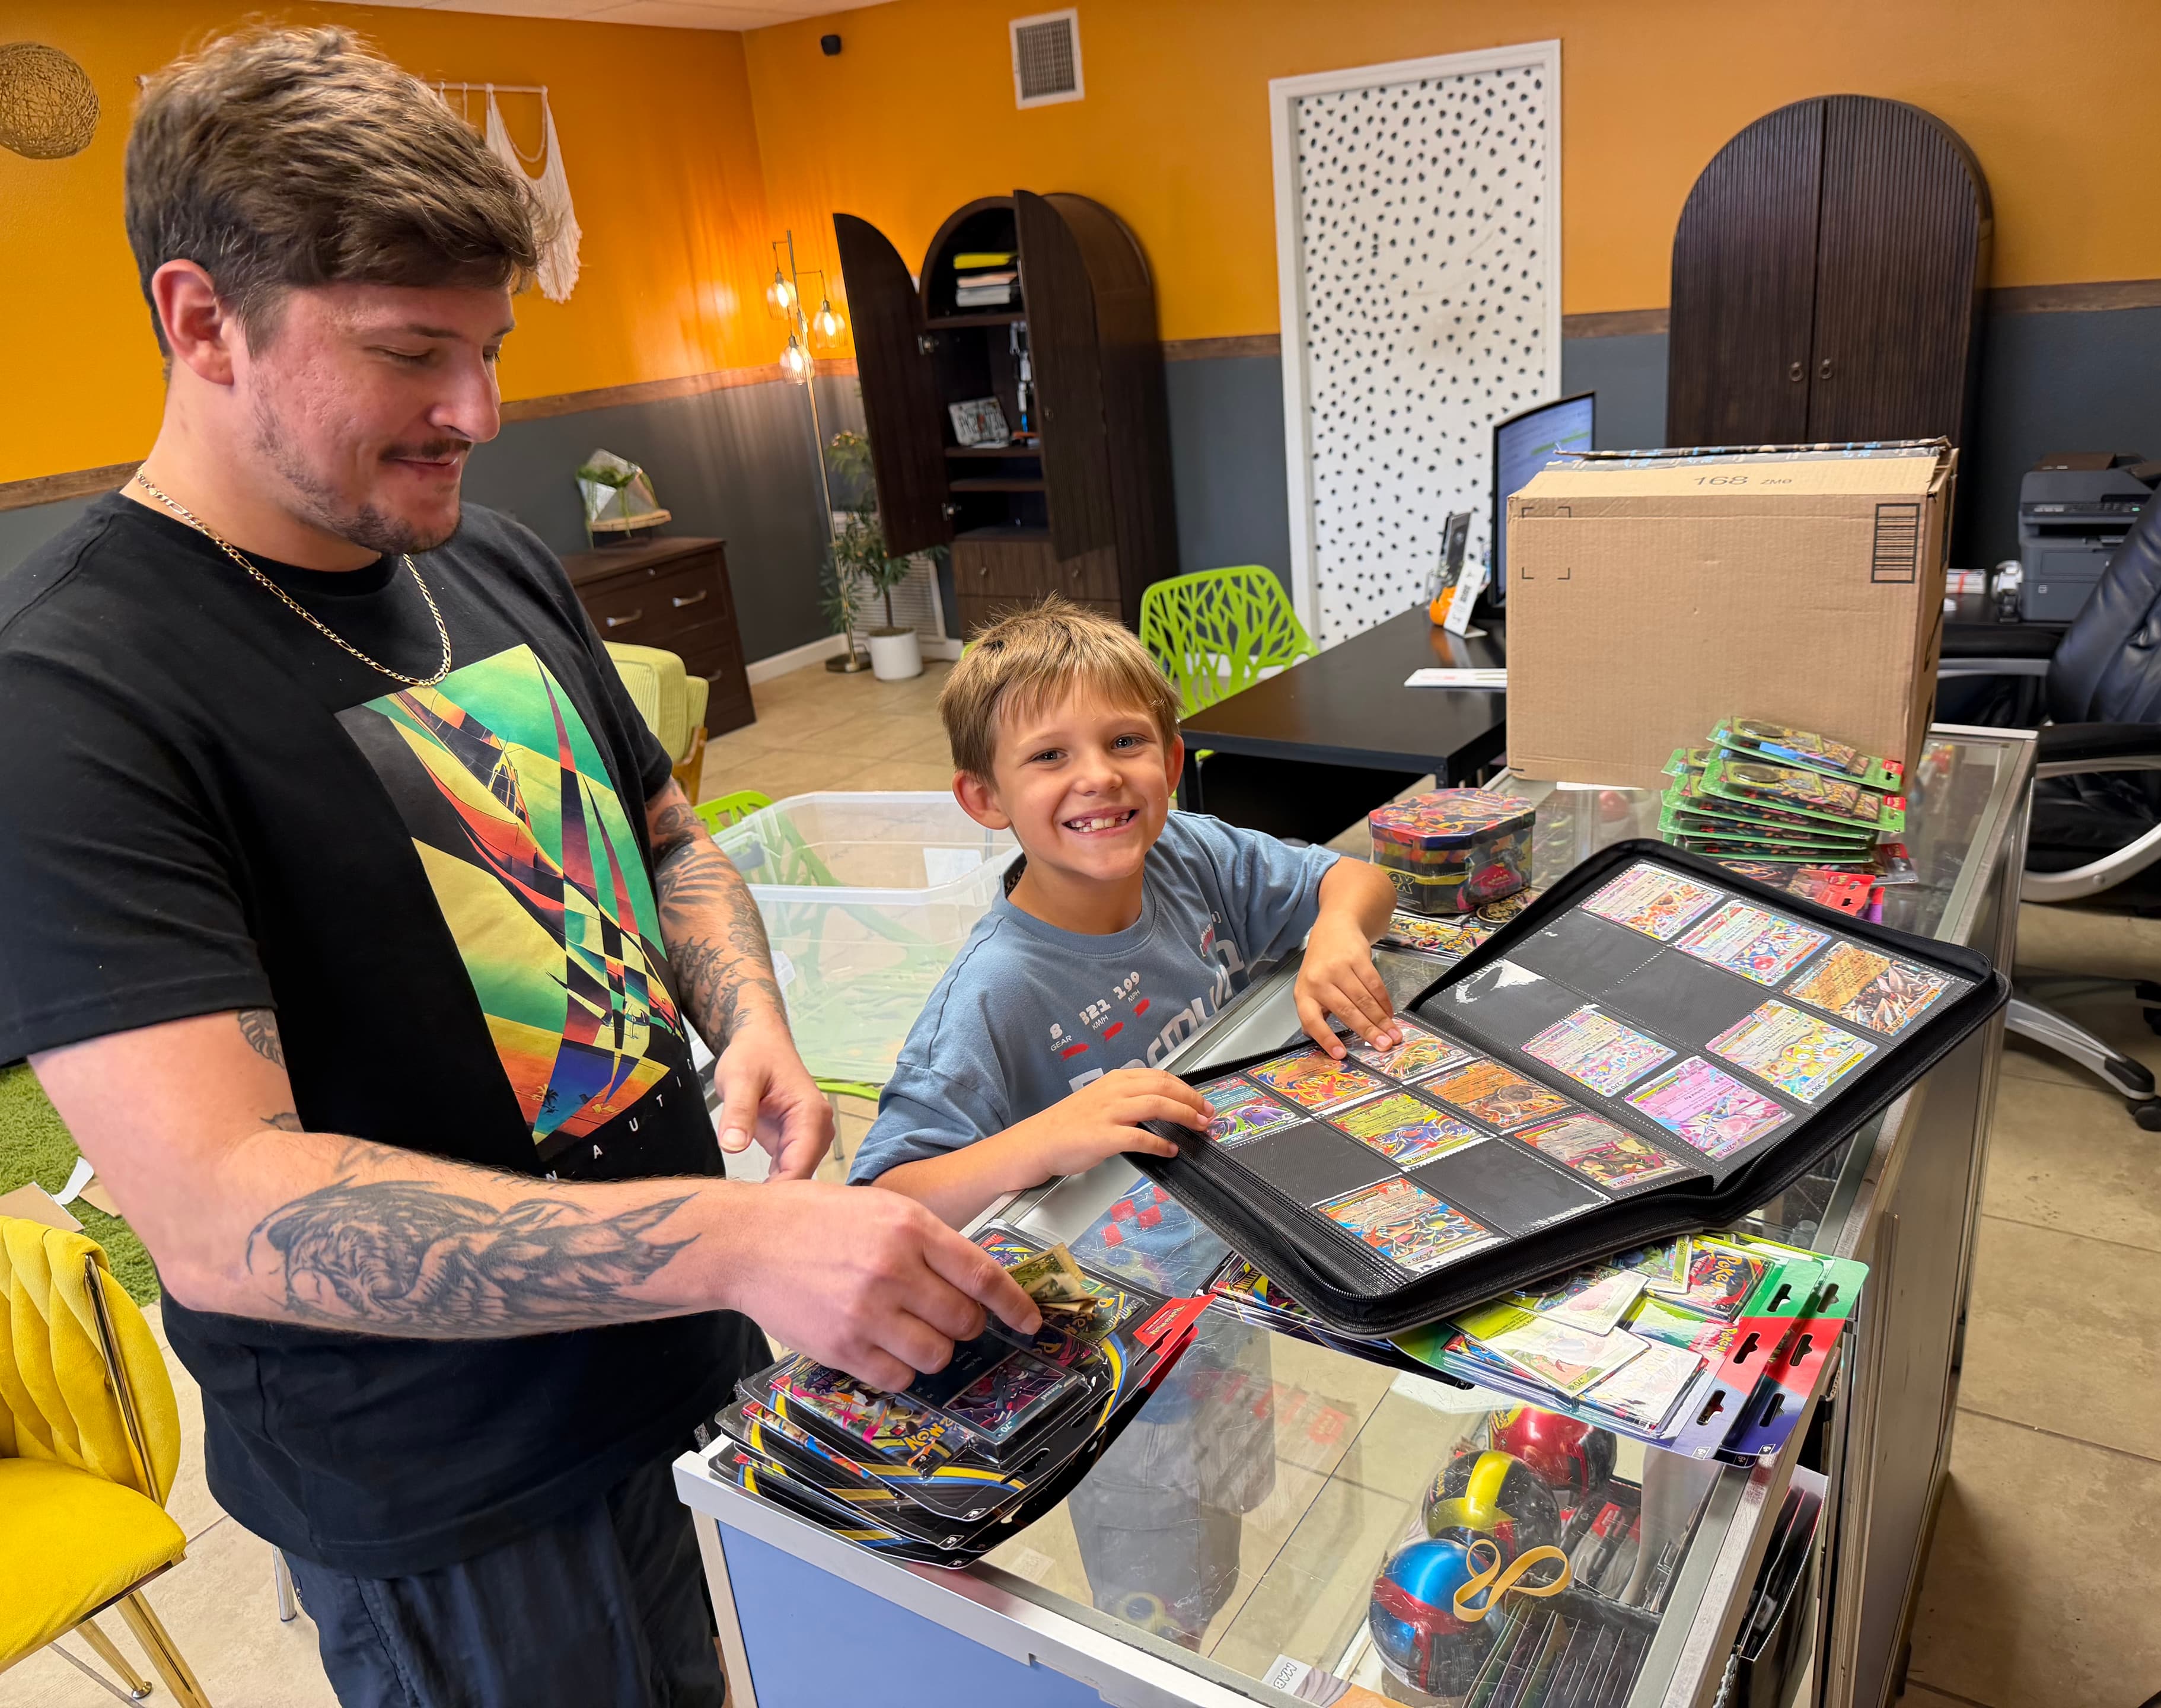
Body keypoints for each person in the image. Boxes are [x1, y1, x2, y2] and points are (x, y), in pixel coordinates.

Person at [0, 28, 1036, 1707]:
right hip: (453, 1497)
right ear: (202, 322)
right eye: (414, 353)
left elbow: (663, 823)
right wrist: (722, 1238)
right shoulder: (69, 696)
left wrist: (744, 1008)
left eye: (488, 347)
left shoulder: (477, 547)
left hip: (681, 1367)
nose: (477, 414)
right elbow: (217, 1208)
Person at [847, 594, 1401, 1222]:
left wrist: (1337, 927)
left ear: (1169, 764)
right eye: (1049, 755)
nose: (1100, 776)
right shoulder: (990, 995)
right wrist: (1037, 1142)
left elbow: (1359, 881)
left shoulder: (1190, 850)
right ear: (985, 797)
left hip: (1238, 1202)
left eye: (1125, 741)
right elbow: (878, 1204)